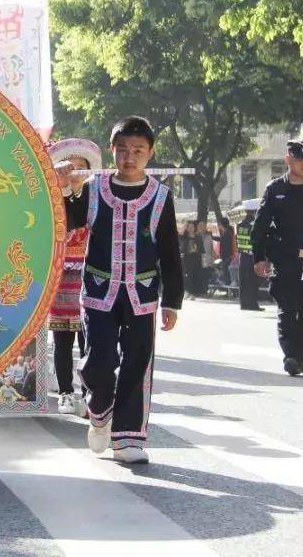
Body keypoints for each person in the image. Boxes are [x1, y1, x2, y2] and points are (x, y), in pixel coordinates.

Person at [57, 116, 182, 465]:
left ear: (150, 153)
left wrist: (173, 300)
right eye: (123, 150)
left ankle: (128, 439)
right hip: (99, 291)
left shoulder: (160, 197)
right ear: (112, 151)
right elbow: (68, 221)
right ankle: (99, 410)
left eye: (138, 150)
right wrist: (66, 189)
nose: (130, 157)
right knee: (100, 360)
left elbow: (170, 251)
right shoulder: (95, 189)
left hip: (142, 294)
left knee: (137, 363)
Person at [251, 139, 303, 376]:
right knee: (287, 307)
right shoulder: (275, 189)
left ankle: (302, 356)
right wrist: (259, 257)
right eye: (299, 160)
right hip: (285, 258)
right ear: (288, 160)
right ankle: (290, 355)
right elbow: (260, 225)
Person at [46, 137, 101, 417]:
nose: (75, 171)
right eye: (71, 167)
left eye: (82, 167)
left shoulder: (96, 197)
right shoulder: (52, 200)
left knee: (88, 338)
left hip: (90, 275)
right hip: (62, 276)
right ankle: (65, 393)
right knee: (62, 339)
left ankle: (89, 392)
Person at [236, 201, 263, 310]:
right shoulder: (255, 224)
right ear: (255, 211)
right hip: (252, 257)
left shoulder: (240, 225)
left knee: (243, 281)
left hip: (243, 256)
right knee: (253, 282)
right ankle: (252, 304)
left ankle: (243, 303)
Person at [181, 222, 204, 298]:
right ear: (187, 228)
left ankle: (193, 292)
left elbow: (201, 248)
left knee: (195, 275)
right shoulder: (184, 237)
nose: (191, 228)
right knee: (188, 275)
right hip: (187, 259)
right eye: (189, 227)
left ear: (195, 228)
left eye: (192, 227)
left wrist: (203, 256)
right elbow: (182, 247)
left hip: (196, 258)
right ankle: (187, 291)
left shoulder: (198, 237)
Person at [215, 217, 236, 285]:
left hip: (227, 258)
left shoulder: (227, 234)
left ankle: (229, 291)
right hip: (227, 257)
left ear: (221, 224)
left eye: (219, 224)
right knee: (227, 275)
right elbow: (221, 240)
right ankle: (229, 290)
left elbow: (227, 246)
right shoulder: (227, 232)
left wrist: (227, 257)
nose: (218, 226)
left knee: (227, 275)